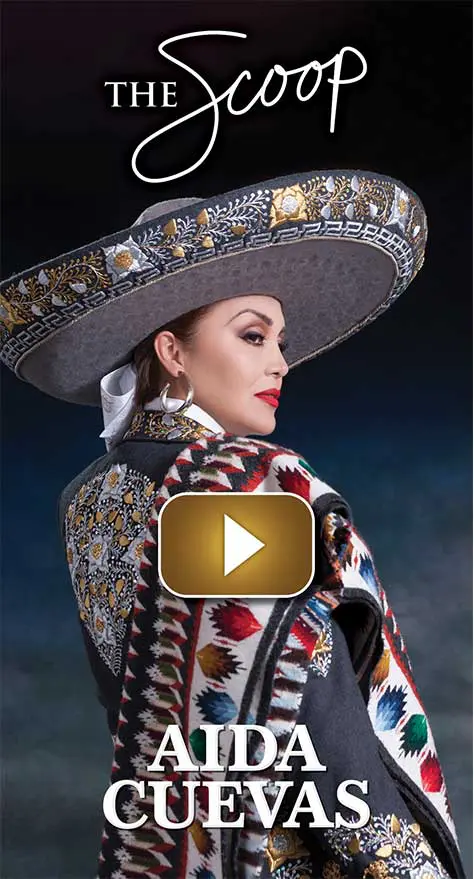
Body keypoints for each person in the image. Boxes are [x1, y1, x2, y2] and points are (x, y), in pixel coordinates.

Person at [0, 170, 465, 878]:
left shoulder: (85, 497)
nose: (280, 361)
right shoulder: (240, 486)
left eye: (278, 339)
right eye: (253, 335)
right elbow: (321, 718)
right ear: (172, 352)